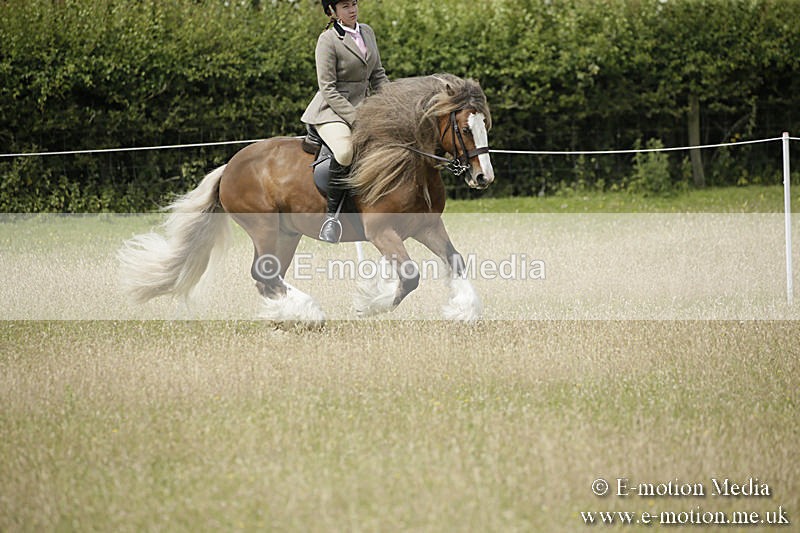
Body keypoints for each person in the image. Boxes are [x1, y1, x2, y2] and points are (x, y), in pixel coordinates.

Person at [301, 0, 389, 243]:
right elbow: (328, 89)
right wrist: (355, 118)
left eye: (354, 4)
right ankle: (332, 218)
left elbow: (378, 75)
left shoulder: (367, 32)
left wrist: (394, 104)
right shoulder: (327, 40)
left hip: (365, 108)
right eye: (345, 6)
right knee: (346, 152)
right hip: (332, 111)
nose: (352, 10)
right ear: (332, 11)